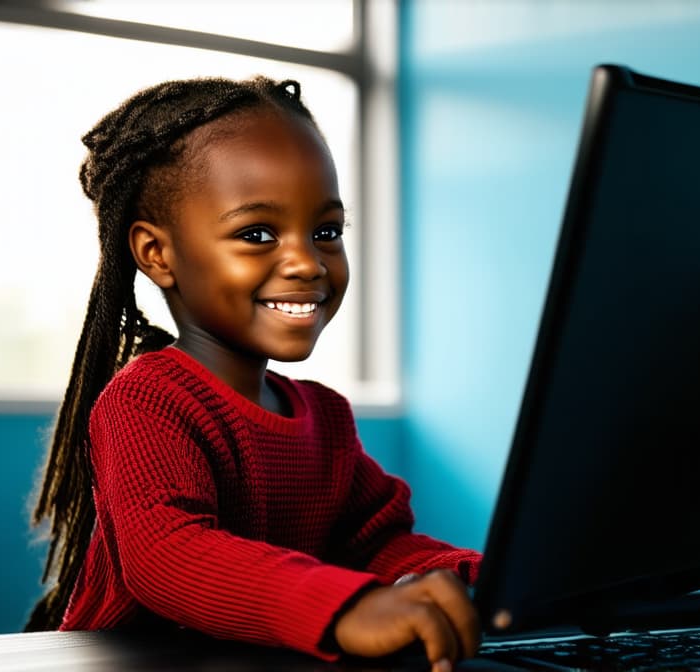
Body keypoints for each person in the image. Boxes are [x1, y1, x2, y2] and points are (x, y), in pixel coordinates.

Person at [25, 75, 482, 672]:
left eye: (326, 231)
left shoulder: (325, 418)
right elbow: (170, 555)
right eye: (257, 234)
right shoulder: (145, 400)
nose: (306, 261)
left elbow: (376, 545)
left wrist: (478, 576)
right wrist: (345, 609)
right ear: (157, 254)